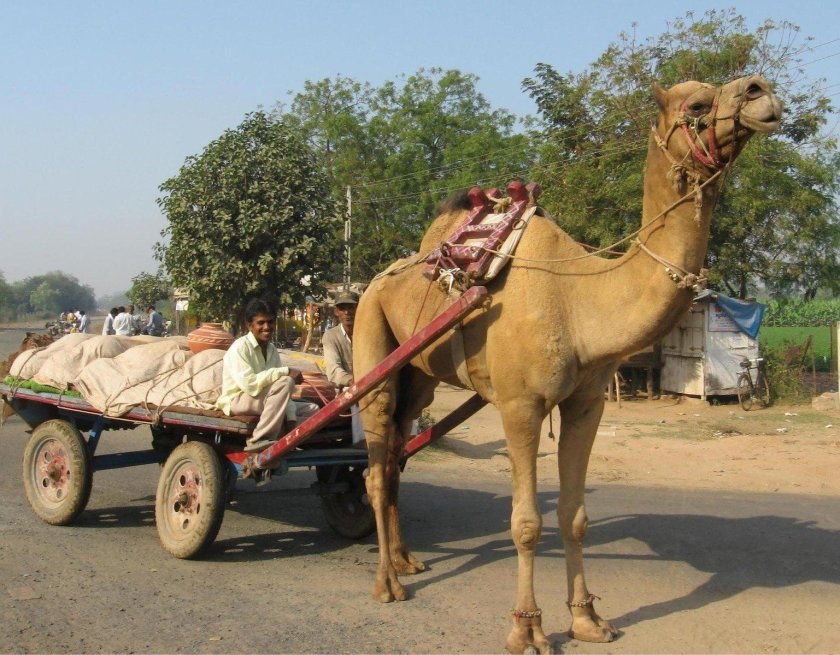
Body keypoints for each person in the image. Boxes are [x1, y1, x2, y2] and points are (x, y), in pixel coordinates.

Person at [215, 298, 303, 453]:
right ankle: (261, 439)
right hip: (238, 399)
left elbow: (281, 390)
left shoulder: (272, 350)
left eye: (270, 322)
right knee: (286, 382)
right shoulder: (240, 348)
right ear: (249, 325)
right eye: (260, 323)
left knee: (313, 409)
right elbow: (251, 385)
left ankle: (292, 439)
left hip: (265, 399)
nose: (267, 327)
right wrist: (285, 371)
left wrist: (291, 418)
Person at [321, 288, 358, 389]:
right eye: (342, 308)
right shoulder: (330, 336)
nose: (347, 312)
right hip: (345, 391)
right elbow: (333, 369)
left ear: (358, 309)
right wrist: (351, 381)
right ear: (336, 312)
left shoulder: (368, 334)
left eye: (351, 307)